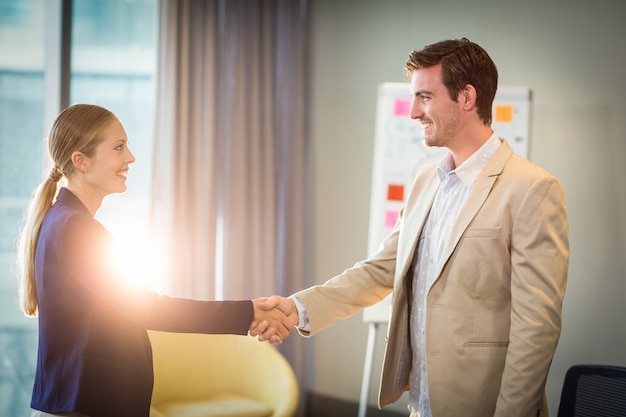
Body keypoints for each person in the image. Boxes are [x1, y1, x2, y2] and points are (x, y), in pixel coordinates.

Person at [252, 38, 569, 417]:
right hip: (421, 402)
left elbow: (536, 329)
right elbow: (381, 269)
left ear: (467, 97)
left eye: (425, 97)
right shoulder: (425, 181)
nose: (413, 112)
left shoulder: (532, 188)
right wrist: (295, 308)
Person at [16, 103, 292, 417]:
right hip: (84, 406)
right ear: (80, 160)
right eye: (118, 147)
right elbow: (146, 308)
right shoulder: (76, 228)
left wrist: (249, 313)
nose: (130, 157)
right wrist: (248, 312)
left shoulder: (62, 221)